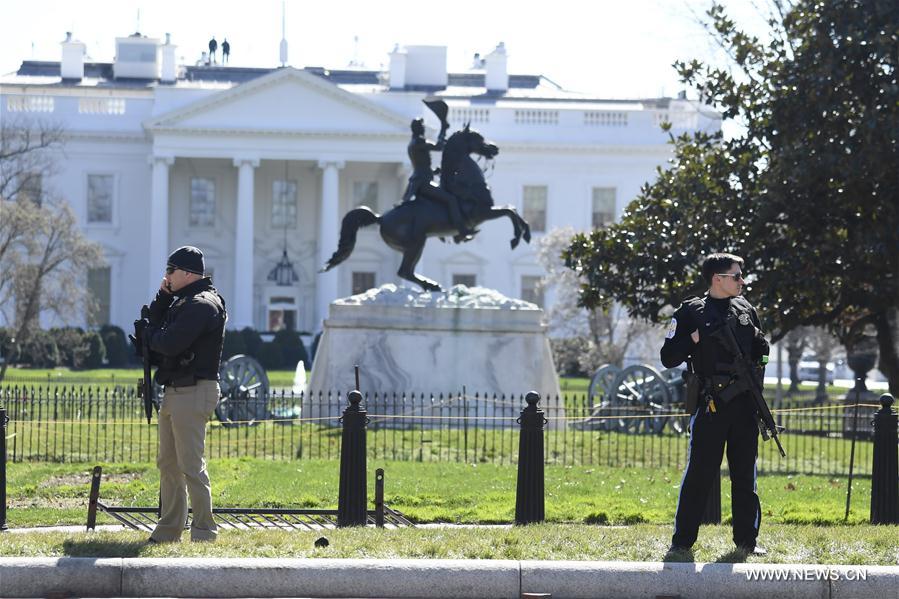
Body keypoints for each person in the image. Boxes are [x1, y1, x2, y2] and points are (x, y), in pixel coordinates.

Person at [661, 252, 770, 556]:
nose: (742, 281)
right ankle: (681, 542)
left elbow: (762, 351)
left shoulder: (746, 309)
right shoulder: (690, 313)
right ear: (717, 279)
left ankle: (747, 541)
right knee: (699, 474)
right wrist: (694, 338)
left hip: (745, 405)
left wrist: (758, 365)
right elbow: (668, 357)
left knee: (745, 476)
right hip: (711, 405)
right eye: (737, 276)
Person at [136, 246, 227, 543]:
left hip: (193, 389)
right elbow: (156, 326)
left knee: (190, 465)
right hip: (176, 390)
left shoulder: (203, 304)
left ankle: (204, 531)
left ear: (188, 273)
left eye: (171, 271)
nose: (167, 276)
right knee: (168, 464)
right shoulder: (183, 301)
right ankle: (169, 529)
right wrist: (162, 298)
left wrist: (151, 337)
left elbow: (170, 342)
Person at [401, 117, 475, 240]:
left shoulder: (412, 142)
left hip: (421, 179)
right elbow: (439, 146)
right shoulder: (419, 141)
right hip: (423, 183)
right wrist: (443, 128)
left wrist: (434, 171)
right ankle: (461, 232)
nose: (424, 128)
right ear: (418, 128)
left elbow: (421, 165)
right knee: (451, 199)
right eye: (422, 126)